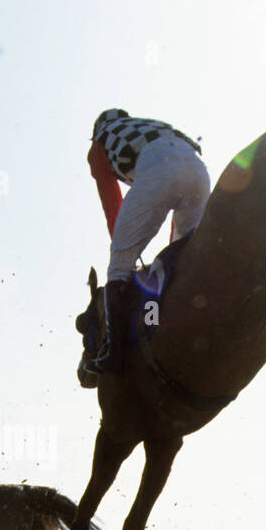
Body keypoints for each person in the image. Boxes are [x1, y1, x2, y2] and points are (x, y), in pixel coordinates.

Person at [82, 108, 210, 377]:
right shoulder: (155, 125)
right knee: (189, 251)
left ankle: (114, 354)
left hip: (158, 169)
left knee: (118, 265)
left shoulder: (99, 145)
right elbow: (178, 228)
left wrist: (126, 248)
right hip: (198, 171)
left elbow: (112, 205)